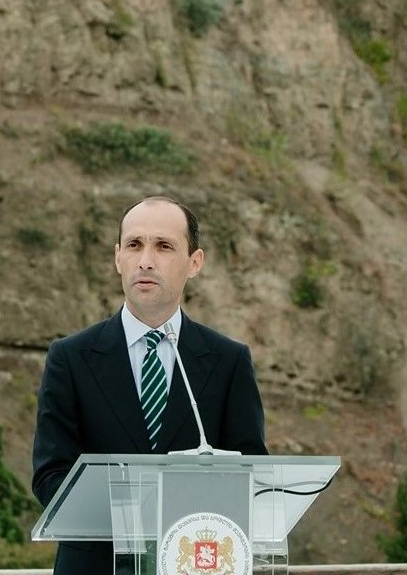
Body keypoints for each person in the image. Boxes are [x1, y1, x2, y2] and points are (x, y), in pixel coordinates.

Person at [32, 195, 268, 575]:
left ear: (195, 262)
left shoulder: (229, 361)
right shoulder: (71, 358)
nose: (145, 260)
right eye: (134, 244)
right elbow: (50, 476)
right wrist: (136, 517)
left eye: (163, 246)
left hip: (192, 566)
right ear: (118, 258)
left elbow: (249, 476)